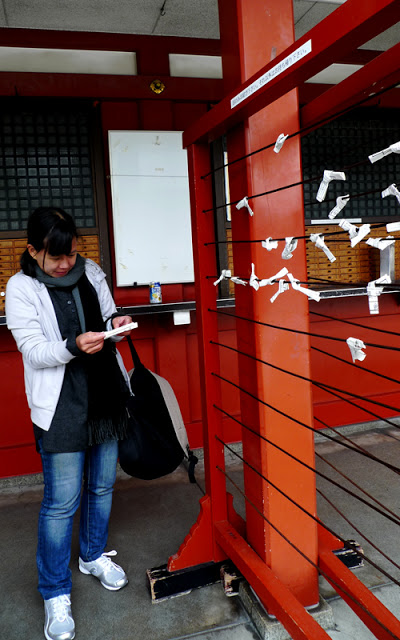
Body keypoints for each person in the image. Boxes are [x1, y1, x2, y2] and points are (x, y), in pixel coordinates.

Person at [6, 207, 134, 640]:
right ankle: (55, 591)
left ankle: (93, 556)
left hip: (105, 394)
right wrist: (74, 346)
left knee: (101, 485)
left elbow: (110, 312)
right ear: (32, 251)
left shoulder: (90, 270)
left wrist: (117, 324)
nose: (65, 264)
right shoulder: (20, 287)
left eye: (70, 253)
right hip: (60, 403)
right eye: (54, 256)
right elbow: (34, 351)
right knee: (61, 503)